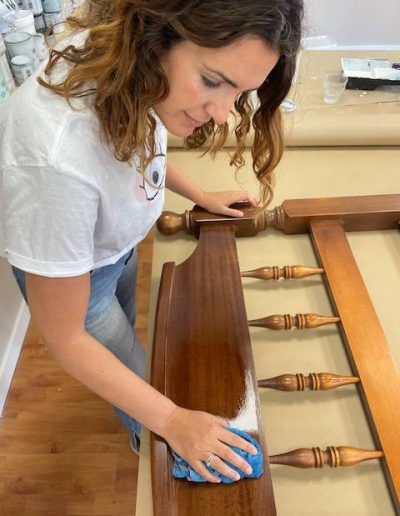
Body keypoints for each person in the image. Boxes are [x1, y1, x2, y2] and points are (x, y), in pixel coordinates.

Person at [0, 0, 303, 483]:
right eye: (213, 81)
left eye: (241, 91)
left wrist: (200, 194)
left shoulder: (128, 67)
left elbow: (139, 144)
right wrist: (173, 422)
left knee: (129, 339)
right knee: (139, 376)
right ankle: (149, 439)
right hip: (81, 281)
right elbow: (65, 337)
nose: (222, 114)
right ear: (155, 37)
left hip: (115, 250)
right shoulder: (56, 160)